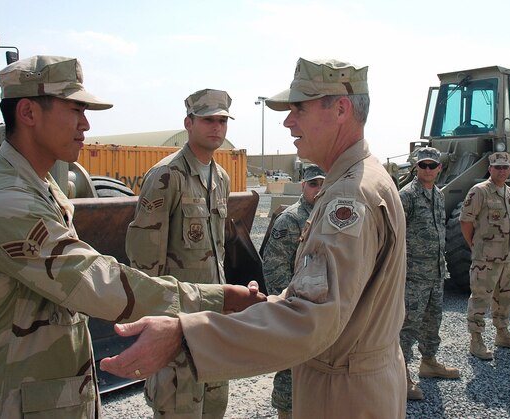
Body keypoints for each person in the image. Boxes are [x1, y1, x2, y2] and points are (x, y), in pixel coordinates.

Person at [0, 56, 263, 419]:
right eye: (75, 109)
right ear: (28, 113)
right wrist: (218, 299)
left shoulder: (40, 185)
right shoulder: (5, 202)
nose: (85, 124)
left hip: (49, 394)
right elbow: (96, 281)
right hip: (15, 403)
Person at [101, 57, 409, 418]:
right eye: (209, 120)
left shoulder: (350, 195)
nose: (288, 121)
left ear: (341, 109)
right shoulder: (360, 180)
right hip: (345, 381)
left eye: (299, 109)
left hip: (342, 394)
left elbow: (312, 319)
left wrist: (186, 334)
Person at [125, 88, 233, 418]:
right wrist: (155, 322)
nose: (216, 127)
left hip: (212, 321)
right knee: (178, 409)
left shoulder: (221, 179)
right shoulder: (167, 176)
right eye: (208, 120)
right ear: (189, 123)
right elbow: (145, 259)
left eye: (222, 121)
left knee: (214, 408)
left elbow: (218, 252)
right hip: (178, 323)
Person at [260, 164, 325, 418]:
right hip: (296, 307)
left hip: (321, 306)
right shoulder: (291, 219)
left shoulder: (329, 216)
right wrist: (290, 304)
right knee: (291, 365)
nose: (318, 189)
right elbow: (274, 266)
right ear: (303, 186)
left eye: (323, 184)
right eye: (313, 184)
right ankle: (285, 413)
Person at [399, 147, 459, 400]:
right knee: (407, 327)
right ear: (416, 167)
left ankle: (429, 362)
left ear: (439, 168)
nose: (427, 169)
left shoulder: (438, 194)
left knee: (432, 322)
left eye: (431, 165)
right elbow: (395, 236)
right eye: (422, 165)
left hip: (435, 273)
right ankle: (400, 375)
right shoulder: (407, 196)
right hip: (413, 275)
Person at [460, 152, 510, 360]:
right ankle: (476, 339)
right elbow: (465, 222)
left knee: (504, 298)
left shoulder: (509, 192)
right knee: (480, 298)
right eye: (497, 167)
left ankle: (502, 333)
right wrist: (475, 246)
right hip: (485, 259)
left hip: (507, 258)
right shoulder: (479, 191)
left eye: (505, 167)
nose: (501, 170)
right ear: (489, 169)